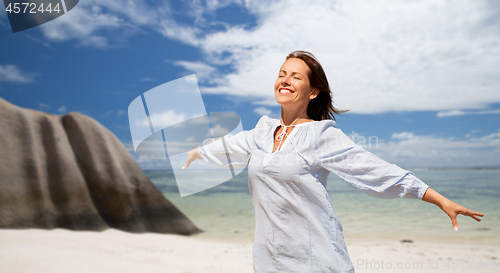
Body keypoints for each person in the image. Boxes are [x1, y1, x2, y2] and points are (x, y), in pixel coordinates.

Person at [182, 51, 484, 273]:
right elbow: (226, 147)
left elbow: (374, 171)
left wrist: (439, 199)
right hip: (267, 260)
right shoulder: (261, 132)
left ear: (313, 92)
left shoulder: (321, 134)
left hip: (317, 260)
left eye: (295, 76)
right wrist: (195, 153)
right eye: (281, 74)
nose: (285, 80)